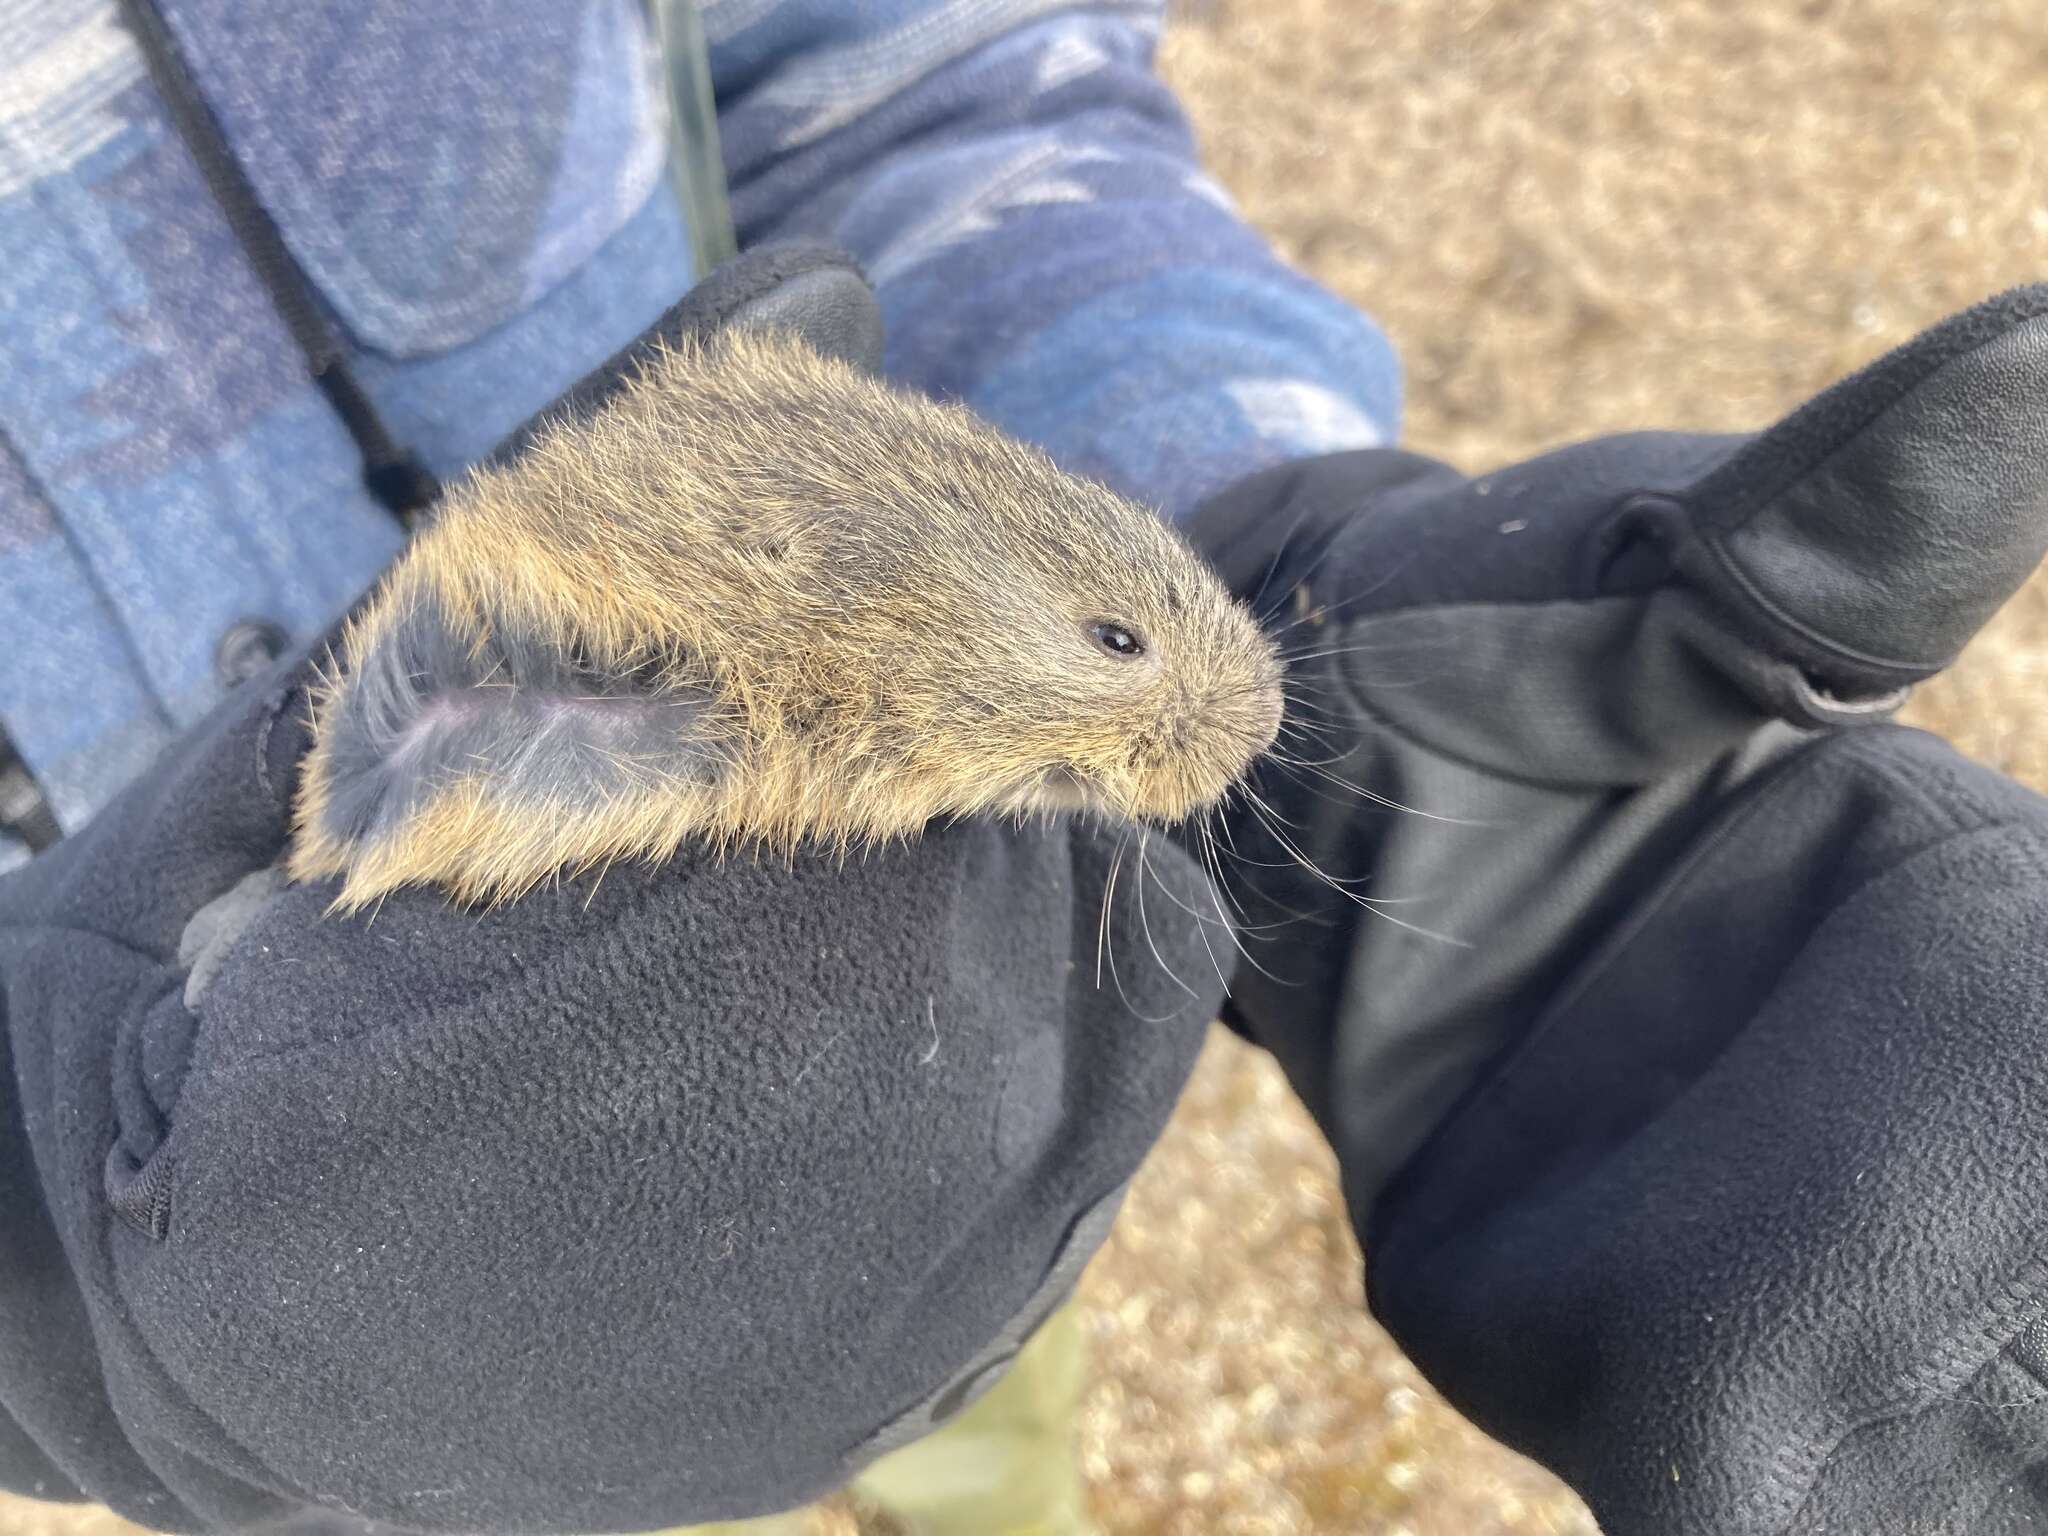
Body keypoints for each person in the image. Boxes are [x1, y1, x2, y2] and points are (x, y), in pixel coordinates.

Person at [2, 5, 2044, 1536]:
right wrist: (46, 1300)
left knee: (974, 1391)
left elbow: (918, 71)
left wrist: (1253, 524)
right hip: (298, 1353)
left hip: (926, 1112)